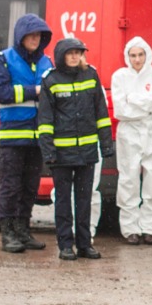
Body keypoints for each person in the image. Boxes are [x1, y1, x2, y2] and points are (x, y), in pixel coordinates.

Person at [37, 37, 112, 260]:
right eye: (70, 53)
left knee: (84, 200)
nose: (74, 56)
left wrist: (106, 144)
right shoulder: (51, 80)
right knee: (63, 201)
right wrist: (48, 151)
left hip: (88, 152)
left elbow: (101, 112)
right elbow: (45, 119)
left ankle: (84, 244)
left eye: (78, 52)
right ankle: (65, 245)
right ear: (61, 55)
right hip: (61, 154)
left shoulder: (91, 75)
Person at [0, 14, 52, 254]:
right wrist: (33, 91)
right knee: (10, 186)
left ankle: (23, 231)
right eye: (31, 35)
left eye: (39, 35)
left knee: (30, 186)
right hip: (13, 135)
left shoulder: (46, 61)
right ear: (21, 36)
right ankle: (8, 234)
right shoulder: (3, 60)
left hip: (38, 136)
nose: (35, 39)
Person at [111, 36, 152, 245]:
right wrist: (145, 103)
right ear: (127, 57)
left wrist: (133, 99)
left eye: (140, 54)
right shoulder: (120, 76)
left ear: (148, 55)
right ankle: (130, 228)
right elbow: (120, 109)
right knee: (129, 178)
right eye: (133, 55)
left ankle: (149, 227)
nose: (137, 59)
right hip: (129, 131)